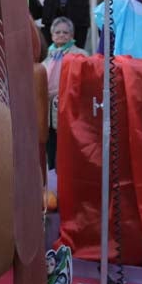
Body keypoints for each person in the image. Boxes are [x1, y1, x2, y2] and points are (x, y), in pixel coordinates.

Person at [42, 16, 87, 169]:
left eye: (65, 32)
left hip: (68, 109)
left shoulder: (80, 55)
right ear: (52, 35)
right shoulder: (46, 56)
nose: (61, 35)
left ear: (72, 35)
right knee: (50, 149)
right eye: (58, 32)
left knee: (66, 149)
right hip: (47, 111)